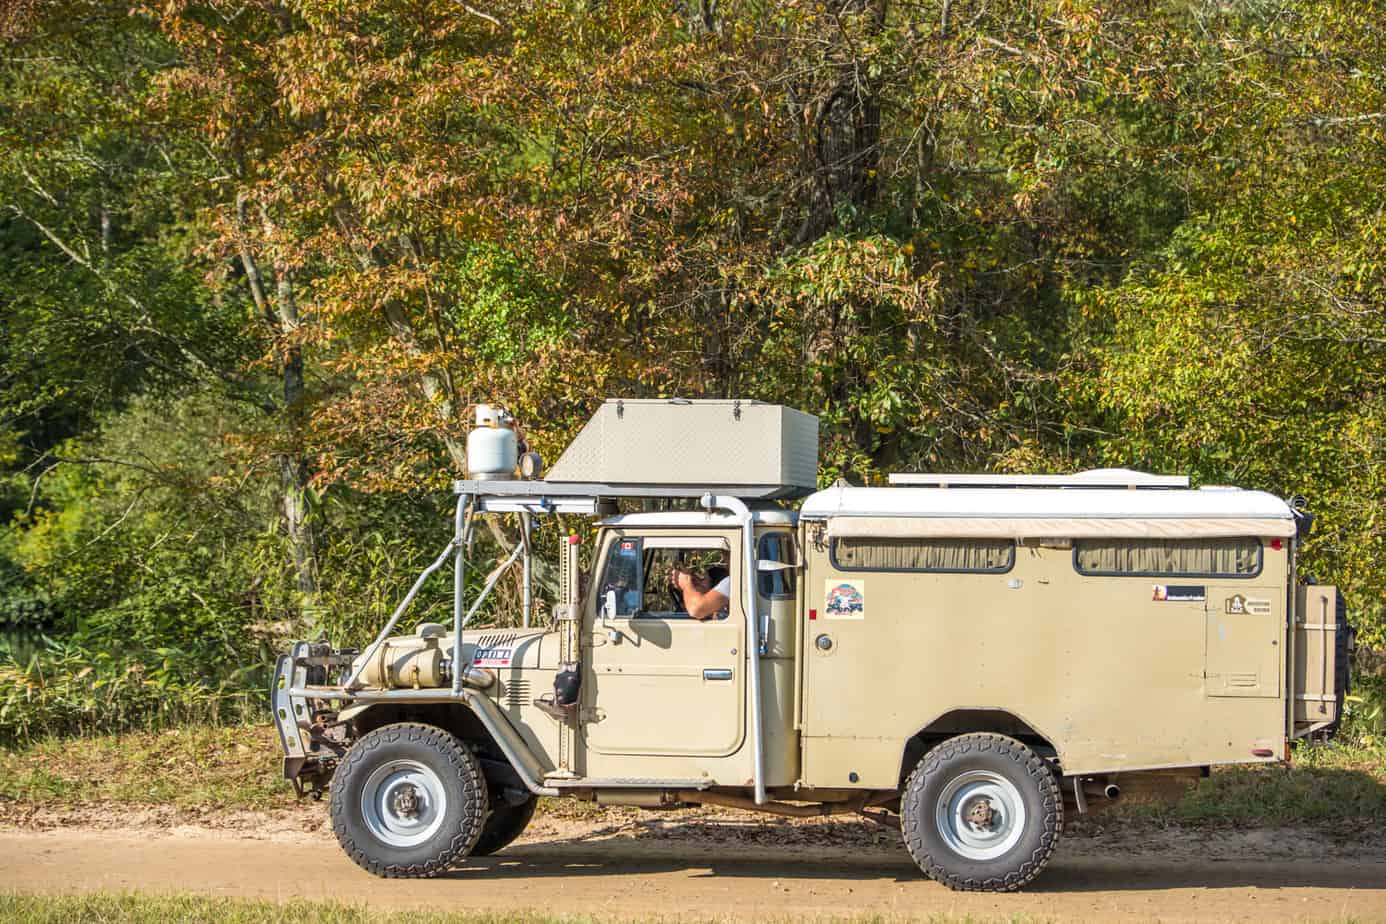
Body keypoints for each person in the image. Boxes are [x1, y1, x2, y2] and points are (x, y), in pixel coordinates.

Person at [668, 554, 731, 620]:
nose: (695, 581)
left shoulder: (730, 583)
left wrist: (686, 584)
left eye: (701, 577)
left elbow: (697, 609)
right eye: (693, 578)